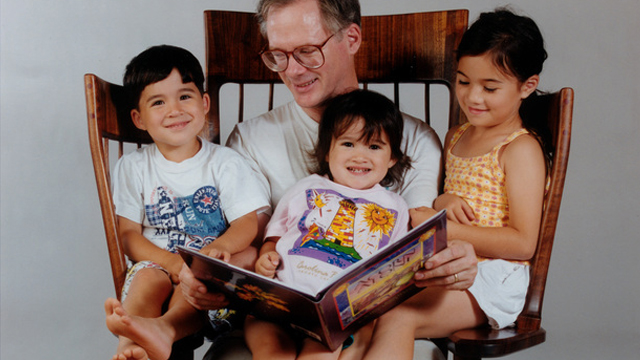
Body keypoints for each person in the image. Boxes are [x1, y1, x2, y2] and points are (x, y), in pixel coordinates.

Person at [181, 0, 478, 318]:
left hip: (371, 325)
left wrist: (453, 260)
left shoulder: (415, 141)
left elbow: (413, 249)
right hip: (271, 320)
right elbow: (253, 247)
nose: (292, 71)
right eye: (279, 55)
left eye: (308, 51)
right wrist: (205, 273)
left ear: (351, 39)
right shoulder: (250, 140)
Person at [362, 9, 549, 359]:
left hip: (493, 278)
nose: (472, 98)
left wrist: (440, 225)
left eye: (489, 87)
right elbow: (450, 199)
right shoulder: (456, 135)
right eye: (463, 82)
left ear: (527, 86)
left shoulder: (520, 149)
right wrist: (442, 201)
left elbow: (523, 243)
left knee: (399, 315)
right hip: (450, 265)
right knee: (371, 303)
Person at [103, 45, 270, 360]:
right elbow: (128, 235)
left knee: (191, 282)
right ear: (138, 118)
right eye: (158, 102)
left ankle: (164, 329)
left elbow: (246, 222)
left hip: (209, 277)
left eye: (184, 96)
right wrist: (171, 264)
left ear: (204, 103)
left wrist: (215, 252)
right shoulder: (133, 167)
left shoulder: (225, 163)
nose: (174, 110)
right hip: (156, 263)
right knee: (148, 279)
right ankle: (129, 347)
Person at [244, 89, 412, 359]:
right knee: (271, 352)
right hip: (279, 303)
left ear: (392, 157)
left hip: (334, 319)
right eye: (348, 144)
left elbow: (393, 268)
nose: (360, 156)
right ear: (326, 150)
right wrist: (266, 258)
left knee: (322, 354)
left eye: (374, 146)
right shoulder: (307, 187)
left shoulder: (394, 206)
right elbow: (274, 236)